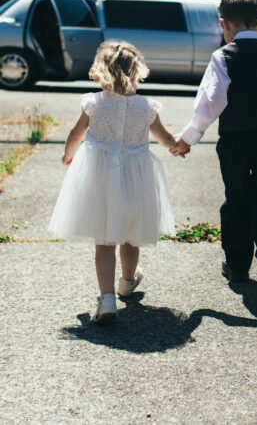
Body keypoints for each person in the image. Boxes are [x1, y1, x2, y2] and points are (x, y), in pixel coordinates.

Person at [170, 0, 257, 306]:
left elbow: (211, 102)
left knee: (237, 200)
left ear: (224, 25)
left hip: (236, 139)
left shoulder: (223, 56)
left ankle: (238, 266)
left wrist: (188, 137)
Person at [48, 40, 177, 324]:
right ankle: (127, 281)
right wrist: (178, 146)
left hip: (100, 177)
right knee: (131, 234)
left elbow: (75, 134)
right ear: (135, 72)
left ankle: (107, 300)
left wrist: (68, 156)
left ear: (101, 71)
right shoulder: (145, 107)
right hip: (135, 177)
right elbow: (165, 137)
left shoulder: (94, 103)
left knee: (104, 241)